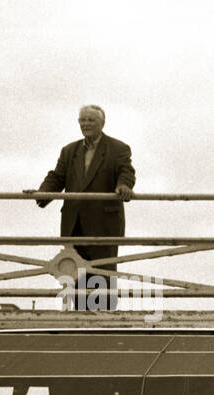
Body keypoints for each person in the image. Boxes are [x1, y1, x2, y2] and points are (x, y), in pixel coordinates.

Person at [29, 105, 134, 311]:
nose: (85, 124)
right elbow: (57, 177)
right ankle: (78, 319)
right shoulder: (69, 151)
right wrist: (42, 193)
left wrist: (124, 186)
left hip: (104, 225)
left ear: (102, 123)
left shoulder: (119, 148)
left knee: (102, 272)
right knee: (74, 273)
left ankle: (102, 323)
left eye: (90, 120)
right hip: (73, 222)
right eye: (82, 120)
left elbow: (126, 172)